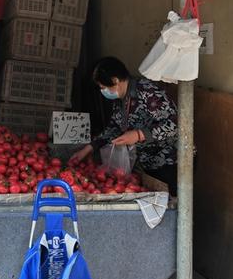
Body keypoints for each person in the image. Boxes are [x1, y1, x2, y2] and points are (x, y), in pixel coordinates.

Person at [70, 56, 178, 195]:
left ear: (115, 81)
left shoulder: (148, 91)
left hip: (170, 162)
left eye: (103, 87)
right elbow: (114, 128)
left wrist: (139, 135)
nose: (103, 91)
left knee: (171, 205)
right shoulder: (121, 99)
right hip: (147, 164)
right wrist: (89, 148)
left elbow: (175, 124)